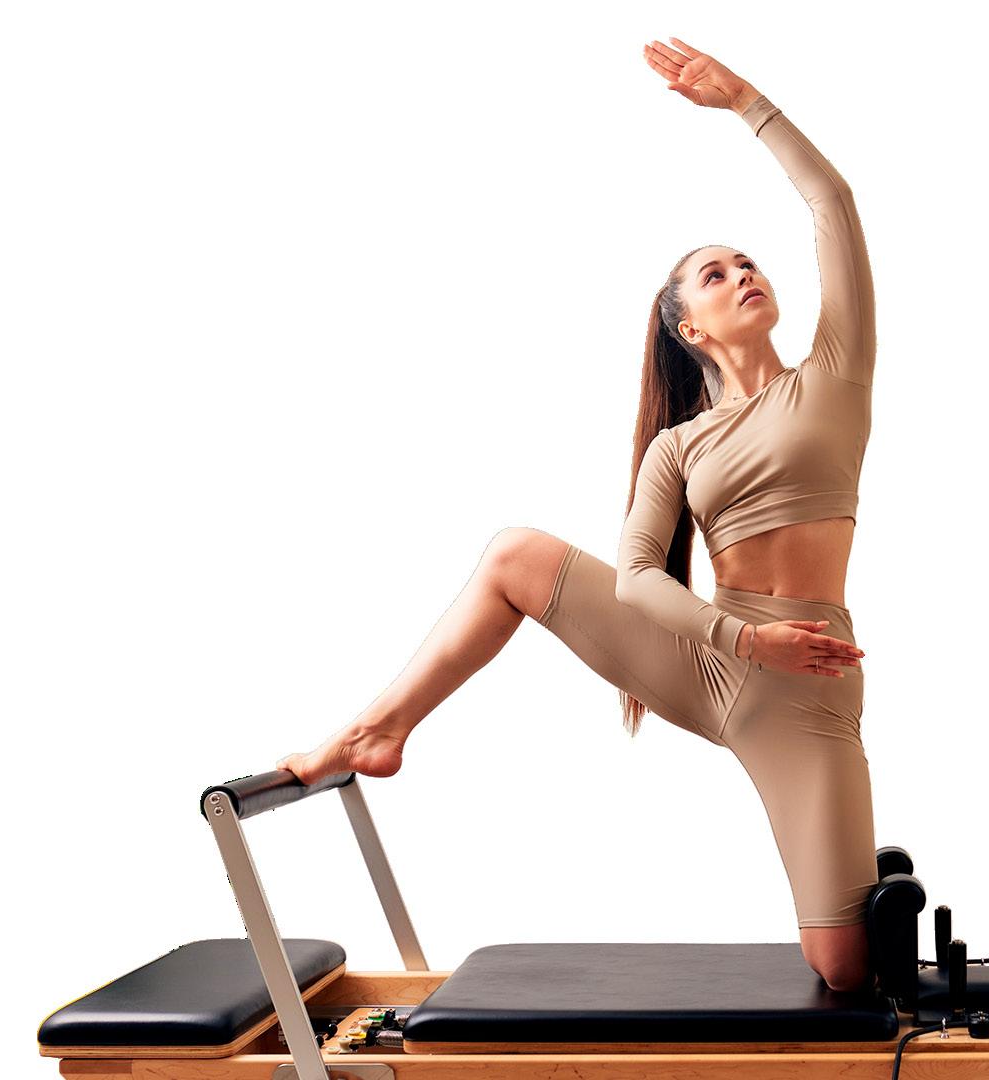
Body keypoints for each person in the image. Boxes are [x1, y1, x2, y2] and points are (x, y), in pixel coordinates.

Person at [275, 38, 879, 994]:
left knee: (844, 970)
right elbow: (636, 580)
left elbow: (831, 203)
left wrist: (743, 101)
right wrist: (742, 640)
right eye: (714, 275)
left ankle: (862, 903)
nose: (742, 274)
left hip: (807, 688)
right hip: (711, 656)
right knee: (515, 554)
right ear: (691, 328)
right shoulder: (677, 447)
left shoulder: (835, 378)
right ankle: (374, 733)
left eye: (747, 262)